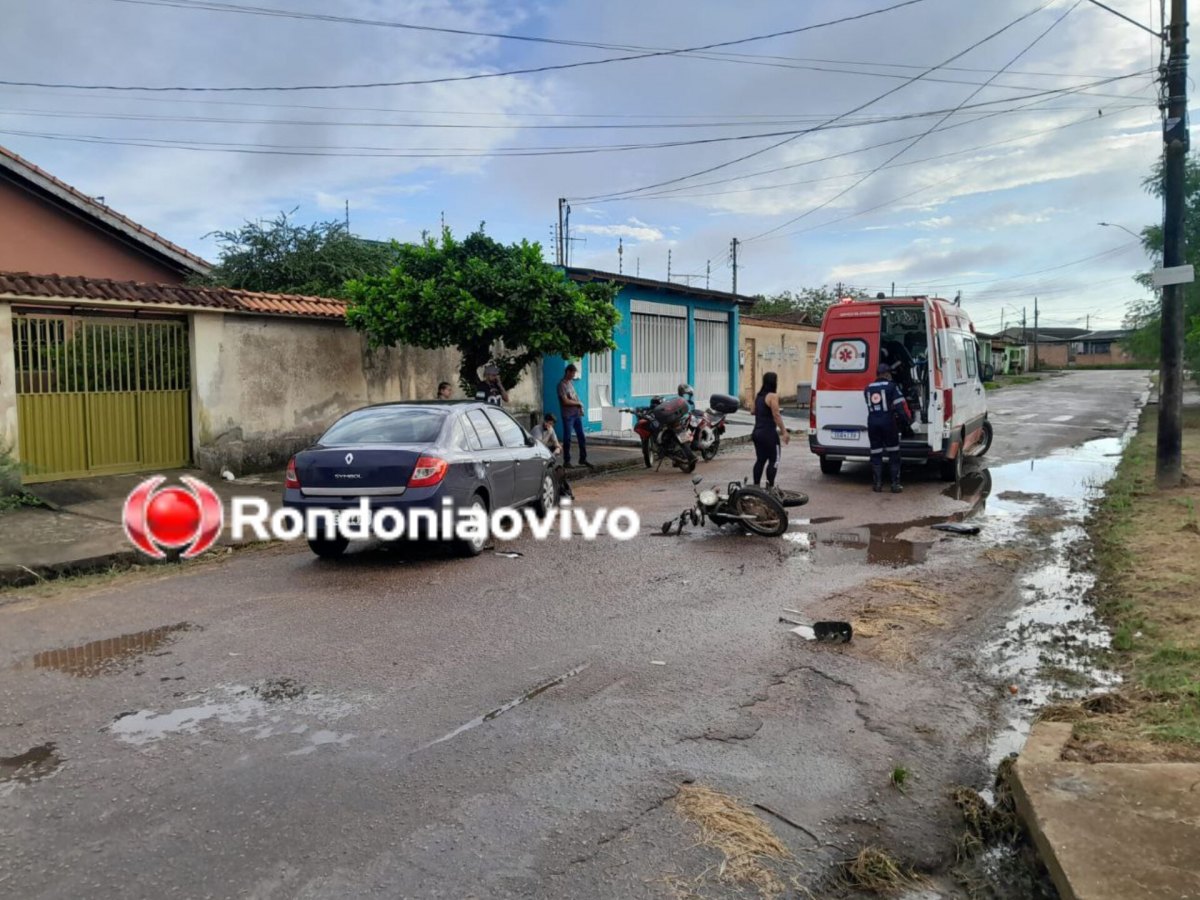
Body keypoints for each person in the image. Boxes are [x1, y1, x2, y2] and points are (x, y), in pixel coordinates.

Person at [865, 362, 911, 493]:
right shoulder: (892, 387)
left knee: (876, 453)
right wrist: (907, 422)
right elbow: (901, 407)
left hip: (872, 423)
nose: (891, 375)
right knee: (894, 453)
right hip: (888, 423)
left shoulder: (867, 388)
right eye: (889, 373)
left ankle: (877, 485)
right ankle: (895, 485)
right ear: (885, 374)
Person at [751, 371, 789, 487]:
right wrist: (784, 432)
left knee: (760, 460)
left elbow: (752, 411)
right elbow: (776, 415)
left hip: (757, 432)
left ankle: (756, 486)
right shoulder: (773, 396)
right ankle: (770, 487)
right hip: (768, 433)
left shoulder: (758, 396)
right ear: (774, 382)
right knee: (774, 459)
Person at [558, 363, 592, 468]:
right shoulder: (561, 385)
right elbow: (565, 401)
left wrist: (580, 407)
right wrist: (578, 403)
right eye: (572, 373)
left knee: (581, 436)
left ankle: (583, 459)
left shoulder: (570, 383)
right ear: (568, 372)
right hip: (568, 415)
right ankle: (566, 461)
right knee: (567, 438)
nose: (573, 375)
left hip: (576, 414)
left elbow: (575, 397)